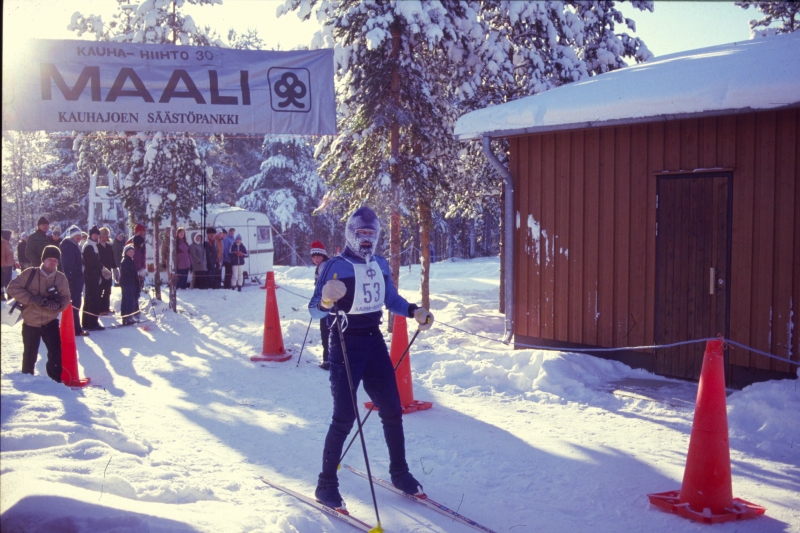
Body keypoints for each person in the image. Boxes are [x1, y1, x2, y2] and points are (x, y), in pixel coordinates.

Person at [308, 207, 434, 511]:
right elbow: (314, 310)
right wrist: (326, 299)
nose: (366, 239)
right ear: (351, 233)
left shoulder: (379, 263)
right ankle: (326, 485)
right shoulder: (335, 265)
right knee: (344, 417)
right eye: (361, 233)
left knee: (392, 408)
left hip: (374, 341)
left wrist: (414, 311)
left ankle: (400, 473)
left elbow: (390, 298)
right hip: (345, 343)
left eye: (371, 234)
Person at [7, 245, 71, 381]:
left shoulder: (61, 278)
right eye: (49, 259)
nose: (52, 262)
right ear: (43, 260)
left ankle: (55, 382)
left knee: (55, 354)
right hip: (31, 321)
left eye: (55, 260)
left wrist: (58, 305)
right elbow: (12, 288)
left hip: (50, 321)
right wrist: (31, 298)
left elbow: (66, 298)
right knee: (30, 354)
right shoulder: (30, 273)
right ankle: (27, 381)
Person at [59, 226, 88, 337]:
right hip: (73, 280)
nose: (79, 237)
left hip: (76, 279)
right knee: (74, 305)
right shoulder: (69, 247)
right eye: (76, 235)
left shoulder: (74, 246)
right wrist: (69, 279)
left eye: (80, 235)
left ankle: (73, 328)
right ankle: (76, 329)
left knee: (75, 305)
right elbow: (67, 265)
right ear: (71, 236)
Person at [310, 240, 331, 369]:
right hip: (328, 302)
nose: (316, 259)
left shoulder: (323, 266)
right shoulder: (325, 265)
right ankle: (331, 358)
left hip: (326, 304)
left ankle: (327, 360)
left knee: (325, 331)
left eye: (318, 256)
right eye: (314, 257)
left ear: (323, 256)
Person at [81, 226, 105, 331]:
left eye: (97, 234)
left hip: (91, 274)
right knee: (93, 299)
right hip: (91, 274)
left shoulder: (92, 245)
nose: (96, 236)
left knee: (89, 298)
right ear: (90, 235)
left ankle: (86, 322)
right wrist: (102, 268)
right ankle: (92, 323)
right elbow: (93, 262)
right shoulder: (89, 246)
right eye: (94, 234)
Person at [98, 227, 116, 315]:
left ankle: (106, 307)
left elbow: (112, 258)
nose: (104, 238)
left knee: (108, 290)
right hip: (100, 271)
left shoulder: (109, 246)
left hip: (108, 271)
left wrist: (115, 268)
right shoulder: (97, 246)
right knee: (100, 290)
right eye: (102, 236)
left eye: (106, 236)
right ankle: (100, 309)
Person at [119, 244, 139, 325]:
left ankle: (125, 316)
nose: (131, 253)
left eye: (132, 251)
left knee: (125, 299)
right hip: (127, 282)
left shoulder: (129, 260)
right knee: (129, 299)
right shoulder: (126, 261)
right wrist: (136, 273)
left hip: (126, 282)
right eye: (129, 251)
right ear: (126, 252)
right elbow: (129, 272)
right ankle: (128, 317)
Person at [132, 235, 146, 310]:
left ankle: (136, 308)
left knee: (136, 292)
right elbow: (137, 263)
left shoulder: (138, 250)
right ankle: (134, 309)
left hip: (137, 274)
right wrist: (140, 271)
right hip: (136, 275)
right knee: (136, 292)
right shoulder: (136, 251)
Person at [1, 229, 14, 301]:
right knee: (2, 281)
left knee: (8, 280)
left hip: (9, 265)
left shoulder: (8, 243)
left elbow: (11, 254)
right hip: (4, 266)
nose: (10, 237)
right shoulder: (2, 243)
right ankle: (1, 295)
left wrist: (14, 263)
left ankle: (9, 294)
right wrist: (3, 265)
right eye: (9, 235)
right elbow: (2, 255)